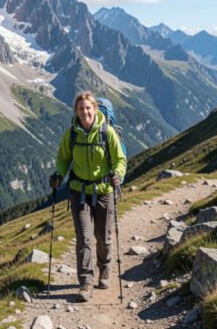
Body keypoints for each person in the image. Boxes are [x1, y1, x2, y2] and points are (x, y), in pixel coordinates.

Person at [48, 92, 127, 302]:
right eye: (81, 109)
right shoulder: (71, 134)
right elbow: (64, 159)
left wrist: (117, 174)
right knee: (83, 238)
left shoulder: (107, 133)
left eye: (88, 108)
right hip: (79, 192)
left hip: (103, 192)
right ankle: (86, 282)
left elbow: (120, 159)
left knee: (104, 237)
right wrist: (58, 175)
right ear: (76, 111)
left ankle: (105, 268)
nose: (85, 112)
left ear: (95, 109)